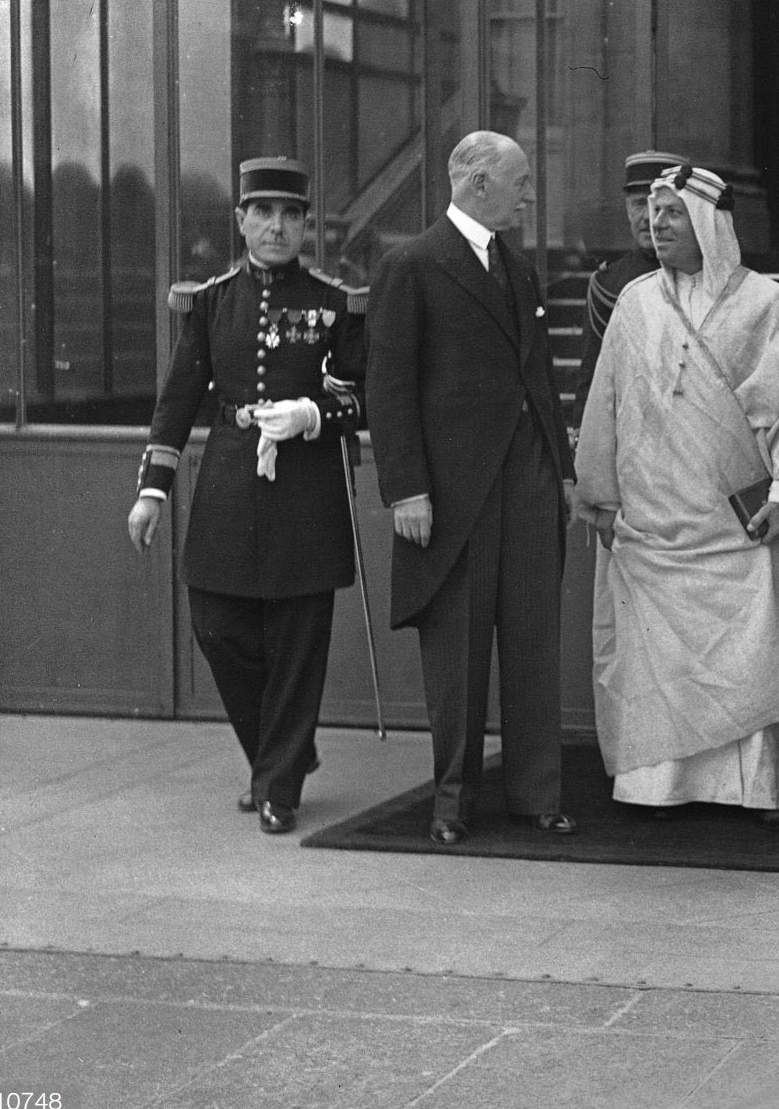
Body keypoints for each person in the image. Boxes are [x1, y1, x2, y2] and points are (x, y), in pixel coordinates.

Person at [125, 158, 365, 835]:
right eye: (264, 214)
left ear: (305, 225)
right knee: (217, 627)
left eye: (291, 215)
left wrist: (314, 415)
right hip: (230, 482)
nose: (277, 227)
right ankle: (279, 754)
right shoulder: (211, 302)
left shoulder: (334, 302)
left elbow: (360, 395)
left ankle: (278, 786)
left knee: (296, 639)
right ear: (241, 221)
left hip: (306, 490)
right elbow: (177, 401)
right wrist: (152, 490)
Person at [573, 166, 779, 828]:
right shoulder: (635, 302)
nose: (658, 225)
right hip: (651, 519)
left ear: (711, 224)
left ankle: (755, 788)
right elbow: (605, 404)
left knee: (748, 648)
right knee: (658, 658)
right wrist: (599, 492)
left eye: (673, 213)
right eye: (653, 213)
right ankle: (659, 787)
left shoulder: (769, 305)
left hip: (736, 520)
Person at [367, 131, 577, 846]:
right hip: (454, 498)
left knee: (533, 644)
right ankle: (451, 804)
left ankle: (536, 794)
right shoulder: (412, 265)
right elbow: (388, 389)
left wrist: (564, 474)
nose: (528, 193)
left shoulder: (518, 271)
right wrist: (405, 492)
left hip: (527, 485)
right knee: (455, 657)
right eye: (520, 181)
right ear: (479, 183)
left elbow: (539, 381)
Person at [570, 150, 689, 431]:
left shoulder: (704, 278)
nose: (649, 218)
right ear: (626, 209)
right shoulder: (608, 285)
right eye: (638, 205)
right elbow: (593, 372)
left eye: (661, 207)